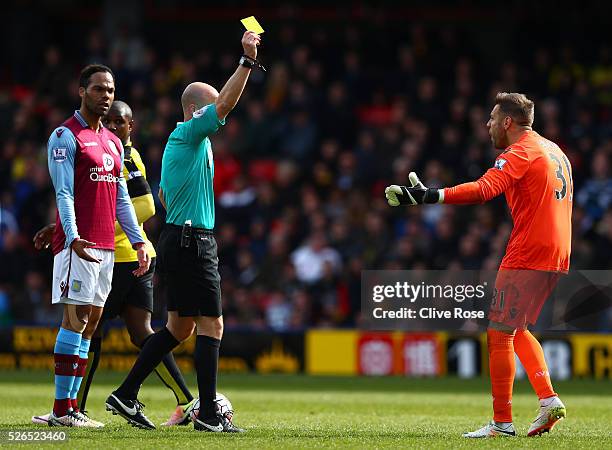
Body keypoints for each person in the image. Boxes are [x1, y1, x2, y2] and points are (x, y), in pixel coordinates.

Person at [385, 93, 572, 438]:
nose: (487, 125)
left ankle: (502, 423)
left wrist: (431, 196)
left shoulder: (519, 152)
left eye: (491, 119)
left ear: (507, 122)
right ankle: (548, 400)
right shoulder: (555, 150)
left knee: (498, 332)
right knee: (515, 328)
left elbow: (485, 189)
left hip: (528, 250)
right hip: (558, 253)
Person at [105, 30, 262, 432]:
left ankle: (125, 393)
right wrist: (246, 60)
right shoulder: (190, 133)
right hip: (193, 240)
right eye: (211, 111)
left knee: (178, 328)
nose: (220, 117)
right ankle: (209, 414)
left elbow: (162, 194)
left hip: (177, 238)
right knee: (213, 326)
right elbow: (225, 102)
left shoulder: (184, 144)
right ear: (196, 112)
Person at [32, 101, 196, 427]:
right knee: (100, 328)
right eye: (109, 120)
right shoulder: (79, 140)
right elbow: (83, 197)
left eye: (119, 121)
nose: (114, 125)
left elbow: (145, 205)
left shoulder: (126, 154)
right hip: (103, 249)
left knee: (90, 327)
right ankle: (75, 407)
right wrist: (71, 227)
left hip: (119, 254)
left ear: (131, 126)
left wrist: (119, 233)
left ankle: (74, 406)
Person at [46, 64, 151, 427]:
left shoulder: (112, 141)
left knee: (89, 325)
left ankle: (71, 408)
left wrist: (138, 240)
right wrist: (72, 236)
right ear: (81, 91)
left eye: (110, 90)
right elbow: (63, 192)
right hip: (80, 244)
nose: (105, 95)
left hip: (107, 246)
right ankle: (62, 409)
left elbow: (121, 196)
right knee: (75, 321)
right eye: (98, 89)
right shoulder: (65, 135)